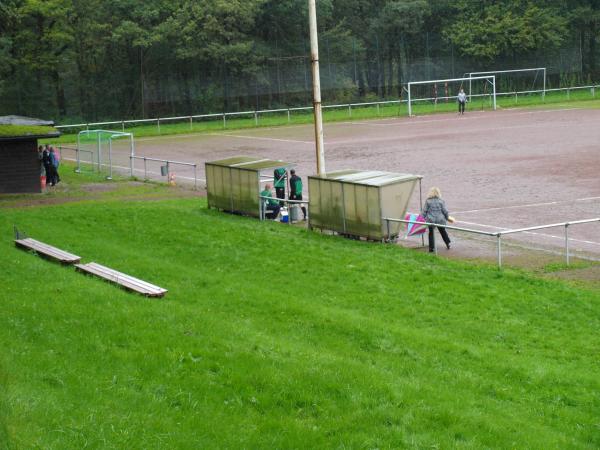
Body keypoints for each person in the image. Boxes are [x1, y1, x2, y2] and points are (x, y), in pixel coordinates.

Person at [422, 187, 451, 252]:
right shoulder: (441, 201)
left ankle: (431, 248)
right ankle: (447, 243)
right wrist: (447, 217)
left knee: (431, 233)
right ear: (438, 193)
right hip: (440, 219)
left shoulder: (428, 201)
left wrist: (421, 218)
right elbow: (445, 211)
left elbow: (424, 211)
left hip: (431, 220)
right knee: (443, 231)